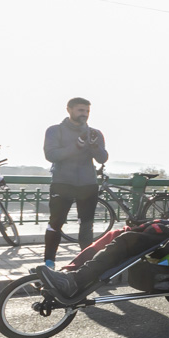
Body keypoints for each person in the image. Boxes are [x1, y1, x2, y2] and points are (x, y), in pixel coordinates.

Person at [37, 165, 169, 303]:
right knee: (119, 234)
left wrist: (160, 226)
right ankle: (72, 273)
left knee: (125, 241)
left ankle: (75, 281)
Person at [43, 97, 108, 270]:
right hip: (62, 182)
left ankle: (86, 265)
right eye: (80, 110)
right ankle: (49, 263)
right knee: (56, 222)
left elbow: (103, 158)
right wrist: (76, 146)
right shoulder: (54, 130)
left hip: (87, 184)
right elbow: (51, 155)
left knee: (87, 225)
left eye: (87, 111)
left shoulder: (95, 132)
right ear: (69, 110)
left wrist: (94, 146)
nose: (84, 114)